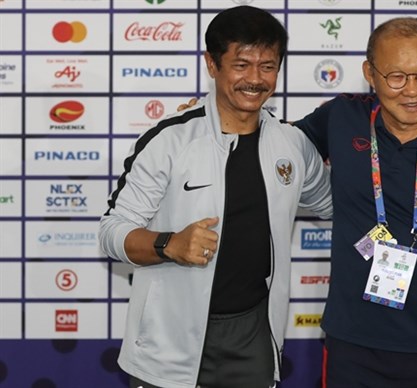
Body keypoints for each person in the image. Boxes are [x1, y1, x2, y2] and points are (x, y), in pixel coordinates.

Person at [179, 16, 417, 388]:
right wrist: (206, 120)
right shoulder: (342, 117)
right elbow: (275, 144)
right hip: (352, 345)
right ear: (370, 74)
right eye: (395, 76)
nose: (412, 91)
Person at [99, 6, 332, 388]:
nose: (255, 79)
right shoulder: (170, 140)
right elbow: (111, 232)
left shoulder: (292, 145)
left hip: (254, 336)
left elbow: (336, 203)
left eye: (268, 66)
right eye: (241, 65)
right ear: (212, 64)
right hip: (168, 341)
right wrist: (170, 244)